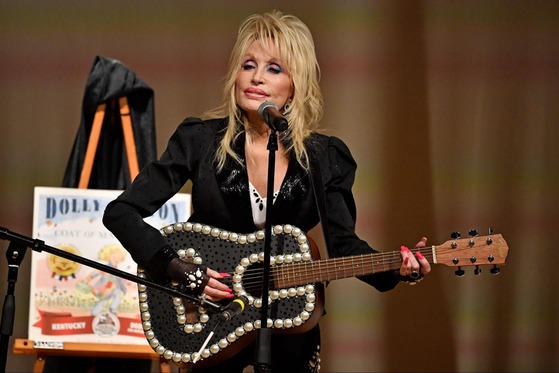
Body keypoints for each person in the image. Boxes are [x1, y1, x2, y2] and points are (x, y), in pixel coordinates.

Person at [102, 10, 431, 373]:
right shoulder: (199, 141)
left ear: (296, 84)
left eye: (275, 68)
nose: (257, 77)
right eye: (248, 65)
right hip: (211, 321)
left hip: (287, 327)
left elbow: (344, 247)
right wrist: (178, 268)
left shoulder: (325, 157)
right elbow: (121, 212)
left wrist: (398, 268)